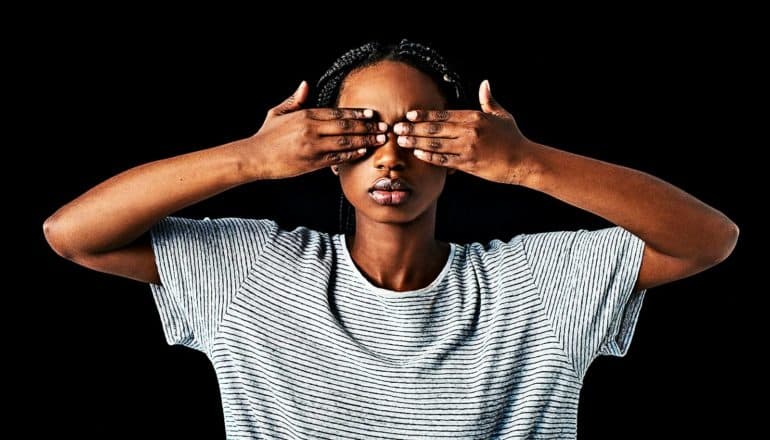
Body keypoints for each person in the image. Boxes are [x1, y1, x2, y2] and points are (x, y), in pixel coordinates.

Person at [43, 39, 738, 439]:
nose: (390, 155)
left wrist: (528, 161)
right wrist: (250, 158)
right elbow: (73, 234)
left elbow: (708, 239)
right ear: (328, 148)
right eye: (362, 129)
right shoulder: (252, 274)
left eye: (417, 130)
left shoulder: (536, 284)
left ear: (457, 146)